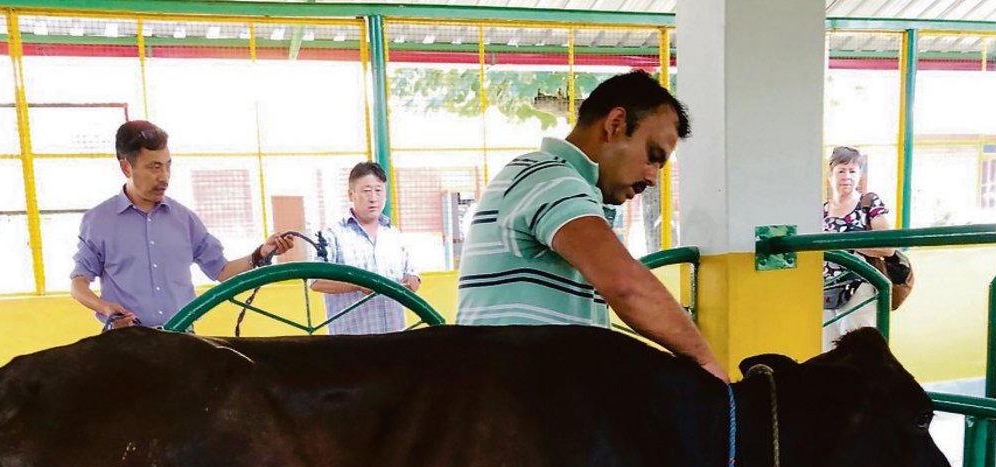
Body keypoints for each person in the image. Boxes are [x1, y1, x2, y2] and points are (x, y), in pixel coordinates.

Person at [456, 70, 723, 381]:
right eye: (652, 157)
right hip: (510, 401)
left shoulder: (560, 185)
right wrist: (710, 367)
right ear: (615, 125)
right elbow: (627, 287)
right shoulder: (550, 178)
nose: (652, 177)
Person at [70, 120, 294, 330]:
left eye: (168, 166)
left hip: (182, 339)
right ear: (126, 168)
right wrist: (106, 308)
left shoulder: (184, 219)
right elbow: (79, 284)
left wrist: (261, 253)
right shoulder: (98, 221)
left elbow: (222, 271)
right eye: (154, 167)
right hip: (126, 342)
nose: (164, 177)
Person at [310, 161, 421, 335]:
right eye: (366, 191)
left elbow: (412, 273)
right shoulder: (332, 235)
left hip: (395, 339)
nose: (373, 198)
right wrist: (358, 284)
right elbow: (316, 282)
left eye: (378, 190)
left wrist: (412, 281)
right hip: (351, 345)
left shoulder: (394, 235)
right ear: (351, 194)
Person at [822, 145, 895, 344]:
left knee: (859, 349)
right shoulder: (822, 211)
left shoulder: (868, 203)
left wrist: (844, 243)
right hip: (826, 291)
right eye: (841, 171)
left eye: (852, 171)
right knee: (827, 352)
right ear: (831, 174)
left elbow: (888, 248)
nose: (847, 176)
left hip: (859, 287)